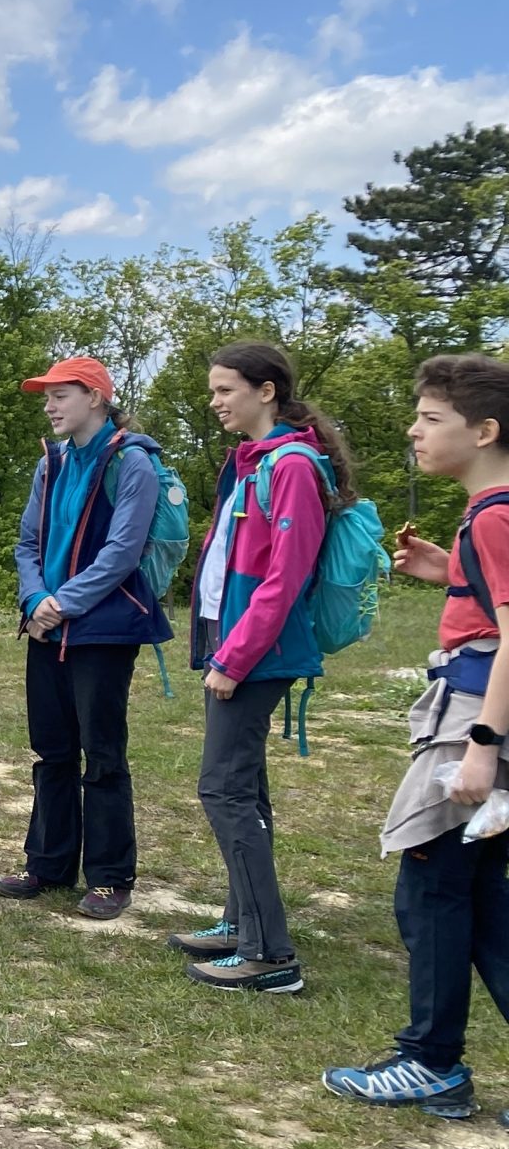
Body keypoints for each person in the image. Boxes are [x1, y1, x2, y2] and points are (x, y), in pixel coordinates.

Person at [322, 355, 509, 1123]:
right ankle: (434, 1060)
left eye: (431, 418)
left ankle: (432, 1064)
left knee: (430, 891)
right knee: (481, 902)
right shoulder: (488, 517)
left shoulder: (495, 516)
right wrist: (453, 573)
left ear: (485, 431)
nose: (414, 430)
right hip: (477, 716)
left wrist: (484, 748)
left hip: (474, 722)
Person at [170, 341, 354, 994]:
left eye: (225, 389)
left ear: (266, 390)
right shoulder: (255, 461)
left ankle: (270, 955)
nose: (215, 401)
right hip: (238, 647)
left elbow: (285, 577)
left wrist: (235, 658)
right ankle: (241, 923)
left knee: (224, 790)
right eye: (213, 390)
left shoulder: (291, 466)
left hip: (257, 654)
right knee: (243, 789)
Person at [0, 357, 172, 921]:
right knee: (50, 750)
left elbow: (122, 552)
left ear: (95, 397)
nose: (49, 406)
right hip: (46, 626)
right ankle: (47, 864)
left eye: (61, 395)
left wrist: (60, 603)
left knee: (102, 753)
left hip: (102, 629)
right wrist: (34, 600)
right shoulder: (50, 463)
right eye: (46, 396)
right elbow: (27, 544)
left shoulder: (132, 461)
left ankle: (110, 877)